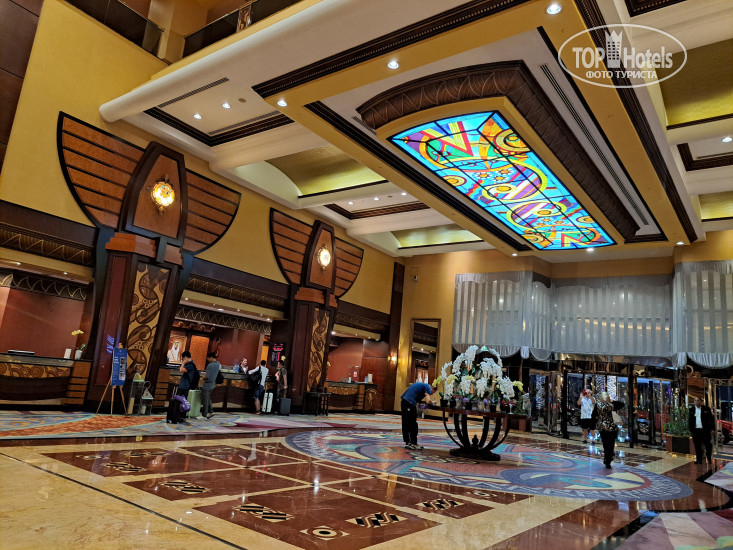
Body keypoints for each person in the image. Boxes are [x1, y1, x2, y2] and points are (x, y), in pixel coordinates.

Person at [596, 391, 624, 469]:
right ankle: (609, 458)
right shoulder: (611, 405)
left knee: (605, 443)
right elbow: (621, 404)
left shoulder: (598, 405)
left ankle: (606, 457)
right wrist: (611, 401)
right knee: (611, 443)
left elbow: (594, 415)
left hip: (602, 427)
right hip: (611, 427)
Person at [401, 381, 432, 450]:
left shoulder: (422, 386)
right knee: (412, 423)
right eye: (433, 392)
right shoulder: (427, 386)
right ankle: (412, 443)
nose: (431, 393)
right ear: (432, 388)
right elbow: (428, 401)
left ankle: (409, 442)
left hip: (405, 401)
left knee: (407, 422)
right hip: (409, 402)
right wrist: (432, 403)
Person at [688, 397, 714, 464]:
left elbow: (711, 419)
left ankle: (709, 458)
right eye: (695, 401)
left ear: (701, 402)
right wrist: (691, 430)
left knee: (708, 445)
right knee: (697, 446)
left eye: (698, 401)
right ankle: (699, 460)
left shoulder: (706, 409)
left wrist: (712, 429)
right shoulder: (692, 410)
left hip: (705, 431)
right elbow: (690, 420)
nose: (697, 402)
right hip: (696, 431)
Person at [201, 351, 221, 420]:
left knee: (205, 400)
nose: (208, 360)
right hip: (213, 384)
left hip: (207, 384)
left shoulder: (210, 365)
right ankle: (211, 412)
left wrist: (202, 378)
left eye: (208, 358)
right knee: (208, 398)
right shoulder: (218, 364)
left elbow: (207, 376)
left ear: (211, 357)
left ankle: (205, 413)